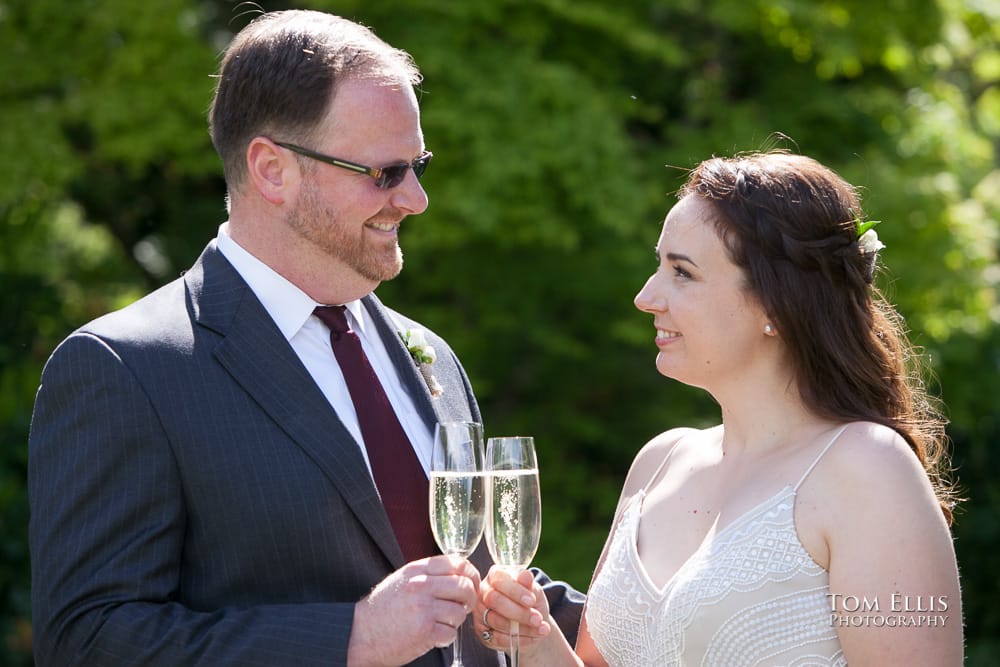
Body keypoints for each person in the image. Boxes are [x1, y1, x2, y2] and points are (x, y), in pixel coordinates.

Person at [28, 10, 581, 666]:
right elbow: (89, 642)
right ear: (271, 170)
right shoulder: (125, 369)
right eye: (385, 173)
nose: (417, 198)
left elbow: (479, 578)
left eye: (418, 165)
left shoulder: (431, 356)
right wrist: (352, 636)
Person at [472, 150, 964, 666]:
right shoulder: (659, 461)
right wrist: (536, 640)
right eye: (658, 265)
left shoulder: (867, 467)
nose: (646, 296)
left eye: (682, 273)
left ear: (776, 304)